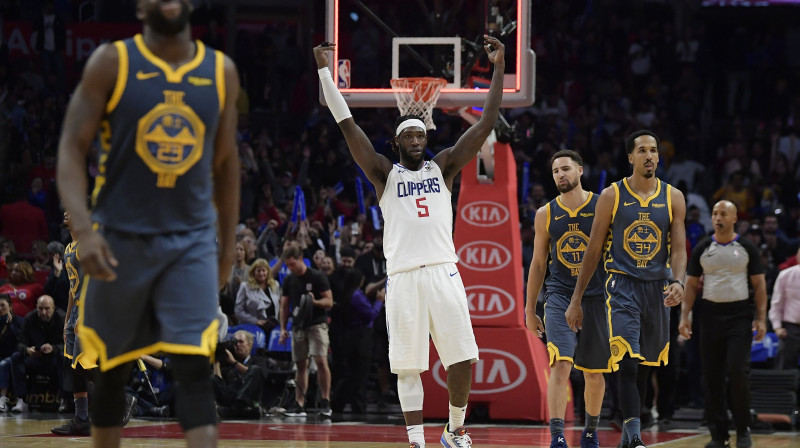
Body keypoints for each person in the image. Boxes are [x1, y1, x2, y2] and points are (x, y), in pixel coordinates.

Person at [55, 0, 240, 446]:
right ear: (140, 6)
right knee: (112, 371)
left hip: (191, 240)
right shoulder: (111, 62)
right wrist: (83, 230)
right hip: (121, 237)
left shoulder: (221, 71)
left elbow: (228, 163)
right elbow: (70, 150)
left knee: (194, 368)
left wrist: (227, 249)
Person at [313, 33, 505, 448]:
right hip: (401, 277)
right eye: (411, 136)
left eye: (422, 135)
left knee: (462, 358)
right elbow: (347, 124)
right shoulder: (384, 174)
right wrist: (325, 72)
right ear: (397, 142)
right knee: (407, 367)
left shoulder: (445, 167)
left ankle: (454, 430)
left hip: (442, 271)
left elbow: (487, 122)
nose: (419, 141)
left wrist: (498, 68)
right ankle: (416, 440)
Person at [566, 130, 687, 448]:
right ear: (630, 157)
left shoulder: (673, 196)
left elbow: (679, 248)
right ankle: (633, 436)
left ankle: (629, 434)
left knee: (646, 366)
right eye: (642, 150)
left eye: (654, 150)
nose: (649, 155)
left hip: (657, 288)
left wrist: (678, 281)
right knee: (627, 363)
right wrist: (576, 299)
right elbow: (592, 251)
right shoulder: (612, 195)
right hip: (622, 286)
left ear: (659, 157)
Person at [525, 150, 610, 448]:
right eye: (555, 171)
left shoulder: (602, 205)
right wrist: (529, 308)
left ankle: (590, 432)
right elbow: (537, 264)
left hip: (597, 297)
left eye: (566, 169)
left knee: (593, 372)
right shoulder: (545, 214)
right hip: (559, 296)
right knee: (560, 365)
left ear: (580, 171)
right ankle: (557, 436)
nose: (561, 174)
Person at [678, 200, 767, 448]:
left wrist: (760, 318)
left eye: (723, 214)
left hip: (739, 316)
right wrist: (685, 316)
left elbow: (759, 286)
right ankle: (719, 434)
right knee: (712, 377)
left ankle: (743, 428)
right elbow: (692, 285)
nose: (718, 217)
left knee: (738, 372)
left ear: (734, 218)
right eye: (715, 213)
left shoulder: (747, 247)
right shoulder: (703, 247)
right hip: (709, 316)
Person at [278, 244, 333, 417]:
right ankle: (299, 403)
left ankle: (325, 401)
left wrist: (314, 301)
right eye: (287, 265)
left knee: (321, 361)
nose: (290, 268)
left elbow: (329, 302)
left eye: (292, 264)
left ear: (300, 258)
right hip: (298, 325)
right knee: (301, 365)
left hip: (317, 323)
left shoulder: (317, 276)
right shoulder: (289, 280)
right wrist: (282, 328)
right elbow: (284, 305)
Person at [10, 295, 65, 412]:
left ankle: (64, 399)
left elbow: (70, 344)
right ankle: (21, 400)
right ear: (36, 307)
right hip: (35, 359)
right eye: (40, 309)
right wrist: (27, 350)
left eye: (47, 308)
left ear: (53, 308)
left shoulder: (62, 318)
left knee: (64, 357)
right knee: (16, 357)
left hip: (54, 359)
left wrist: (54, 348)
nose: (43, 312)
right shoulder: (30, 318)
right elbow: (20, 343)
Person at [212, 329, 267, 419]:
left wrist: (234, 363)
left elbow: (256, 374)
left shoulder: (259, 360)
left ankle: (234, 410)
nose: (237, 345)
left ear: (250, 345)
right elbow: (218, 382)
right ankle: (238, 411)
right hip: (232, 397)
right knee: (213, 378)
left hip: (250, 400)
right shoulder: (227, 362)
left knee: (256, 370)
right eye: (235, 343)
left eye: (241, 342)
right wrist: (216, 361)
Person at [770, 246, 800, 370]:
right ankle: (782, 389)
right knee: (785, 365)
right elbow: (776, 304)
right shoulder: (785, 275)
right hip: (790, 328)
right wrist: (777, 327)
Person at [235, 258, 280, 335]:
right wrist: (255, 321)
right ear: (253, 273)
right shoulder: (245, 287)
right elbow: (238, 311)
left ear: (268, 272)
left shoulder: (275, 285)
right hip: (252, 328)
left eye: (263, 270)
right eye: (258, 271)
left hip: (272, 327)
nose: (261, 273)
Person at [0, 294, 24, 412]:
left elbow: (20, 340)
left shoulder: (19, 321)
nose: (0, 308)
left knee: (3, 364)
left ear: (10, 307)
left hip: (14, 356)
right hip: (2, 355)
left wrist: (10, 324)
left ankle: (3, 399)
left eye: (2, 305)